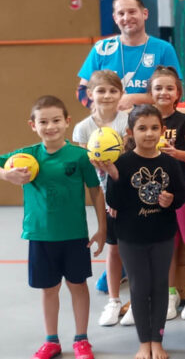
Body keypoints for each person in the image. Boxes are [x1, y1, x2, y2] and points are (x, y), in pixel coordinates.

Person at [0, 95, 106, 359]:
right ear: (32, 125)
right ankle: (52, 340)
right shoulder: (26, 156)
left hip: (74, 235)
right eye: (43, 121)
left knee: (78, 285)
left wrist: (102, 228)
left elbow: (96, 192)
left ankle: (82, 339)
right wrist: (5, 174)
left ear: (67, 122)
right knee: (49, 289)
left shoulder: (80, 157)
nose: (50, 126)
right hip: (41, 235)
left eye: (56, 120)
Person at [96, 105, 185, 359]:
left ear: (163, 130)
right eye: (142, 128)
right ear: (130, 132)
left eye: (154, 128)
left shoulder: (169, 162)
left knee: (159, 286)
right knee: (138, 287)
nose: (149, 134)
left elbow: (182, 194)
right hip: (131, 237)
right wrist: (113, 176)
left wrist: (172, 199)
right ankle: (143, 342)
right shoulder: (122, 163)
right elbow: (114, 203)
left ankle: (157, 340)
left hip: (162, 234)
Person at [71, 70, 131, 327]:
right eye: (101, 91)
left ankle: (138, 301)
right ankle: (114, 300)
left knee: (135, 249)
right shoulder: (83, 128)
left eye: (112, 90)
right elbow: (78, 166)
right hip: (106, 200)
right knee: (114, 248)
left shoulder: (128, 121)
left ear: (120, 94)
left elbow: (135, 157)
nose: (107, 96)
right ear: (90, 95)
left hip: (131, 196)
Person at [147, 66, 185, 320]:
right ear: (150, 92)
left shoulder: (184, 121)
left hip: (184, 187)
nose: (163, 92)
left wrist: (176, 154)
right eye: (158, 88)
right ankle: (169, 292)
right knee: (167, 242)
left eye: (169, 88)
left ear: (178, 92)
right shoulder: (145, 121)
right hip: (155, 191)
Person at [77, 0, 181, 110]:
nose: (126, 18)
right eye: (121, 14)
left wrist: (133, 98)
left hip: (151, 122)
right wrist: (102, 109)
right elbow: (82, 91)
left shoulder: (164, 49)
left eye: (132, 12)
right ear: (115, 18)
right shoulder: (102, 48)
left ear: (145, 14)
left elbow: (176, 94)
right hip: (110, 123)